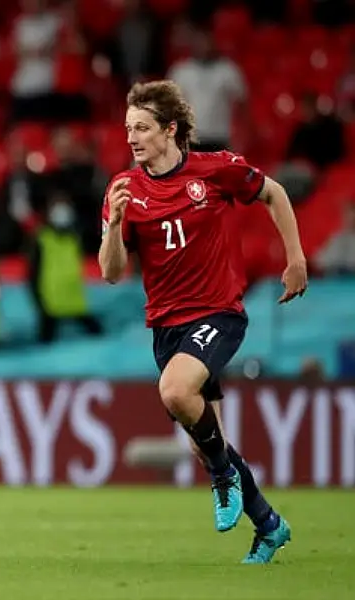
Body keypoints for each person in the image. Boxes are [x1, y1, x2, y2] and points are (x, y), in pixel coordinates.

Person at [99, 80, 307, 564]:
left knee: (175, 392)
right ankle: (269, 524)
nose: (132, 138)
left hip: (218, 313)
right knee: (204, 441)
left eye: (143, 128)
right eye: (129, 128)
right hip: (166, 327)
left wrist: (294, 258)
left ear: (170, 130)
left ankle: (223, 479)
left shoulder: (214, 170)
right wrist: (113, 226)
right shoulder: (123, 189)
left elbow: (273, 193)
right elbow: (111, 273)